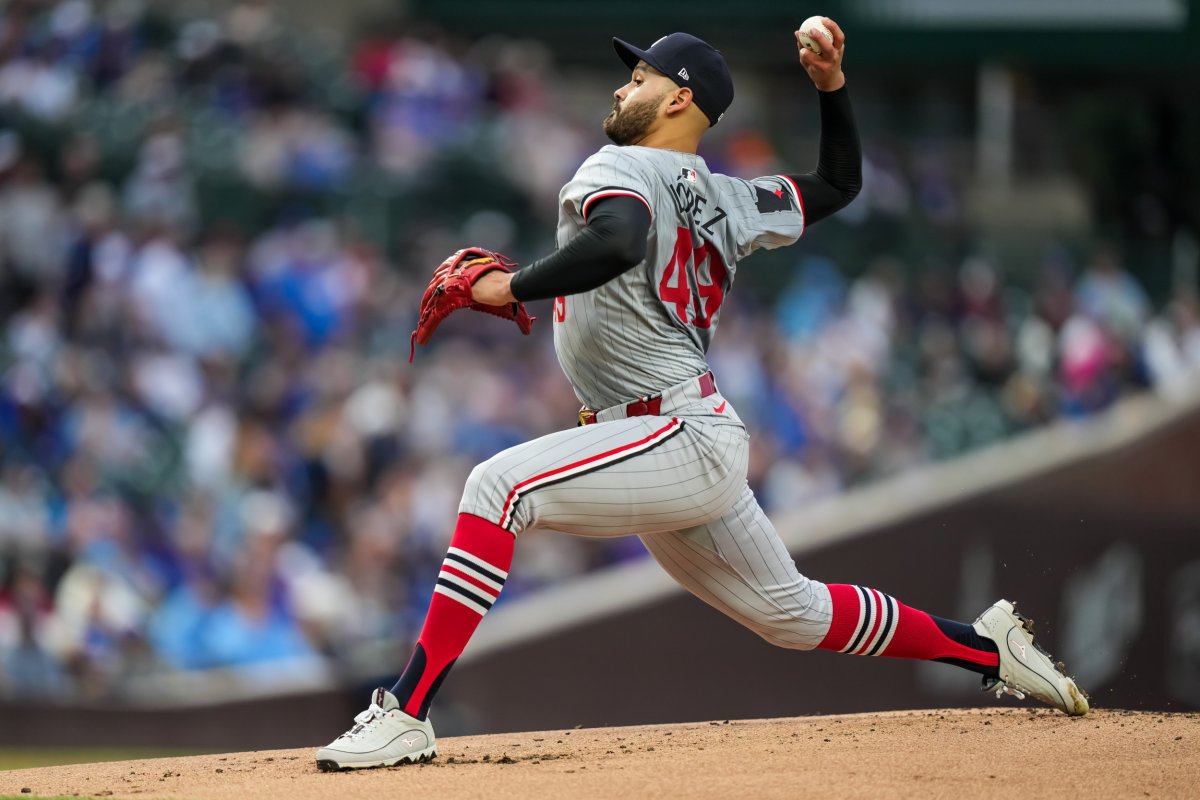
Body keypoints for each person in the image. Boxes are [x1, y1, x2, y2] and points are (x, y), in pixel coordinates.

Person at [316, 20, 1088, 771]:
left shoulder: (618, 166)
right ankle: (988, 649)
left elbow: (618, 239)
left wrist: (505, 287)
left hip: (669, 431)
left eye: (641, 75)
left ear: (680, 98)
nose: (625, 86)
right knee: (794, 613)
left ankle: (406, 713)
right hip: (684, 435)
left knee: (497, 486)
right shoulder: (731, 198)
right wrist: (832, 88)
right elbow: (838, 183)